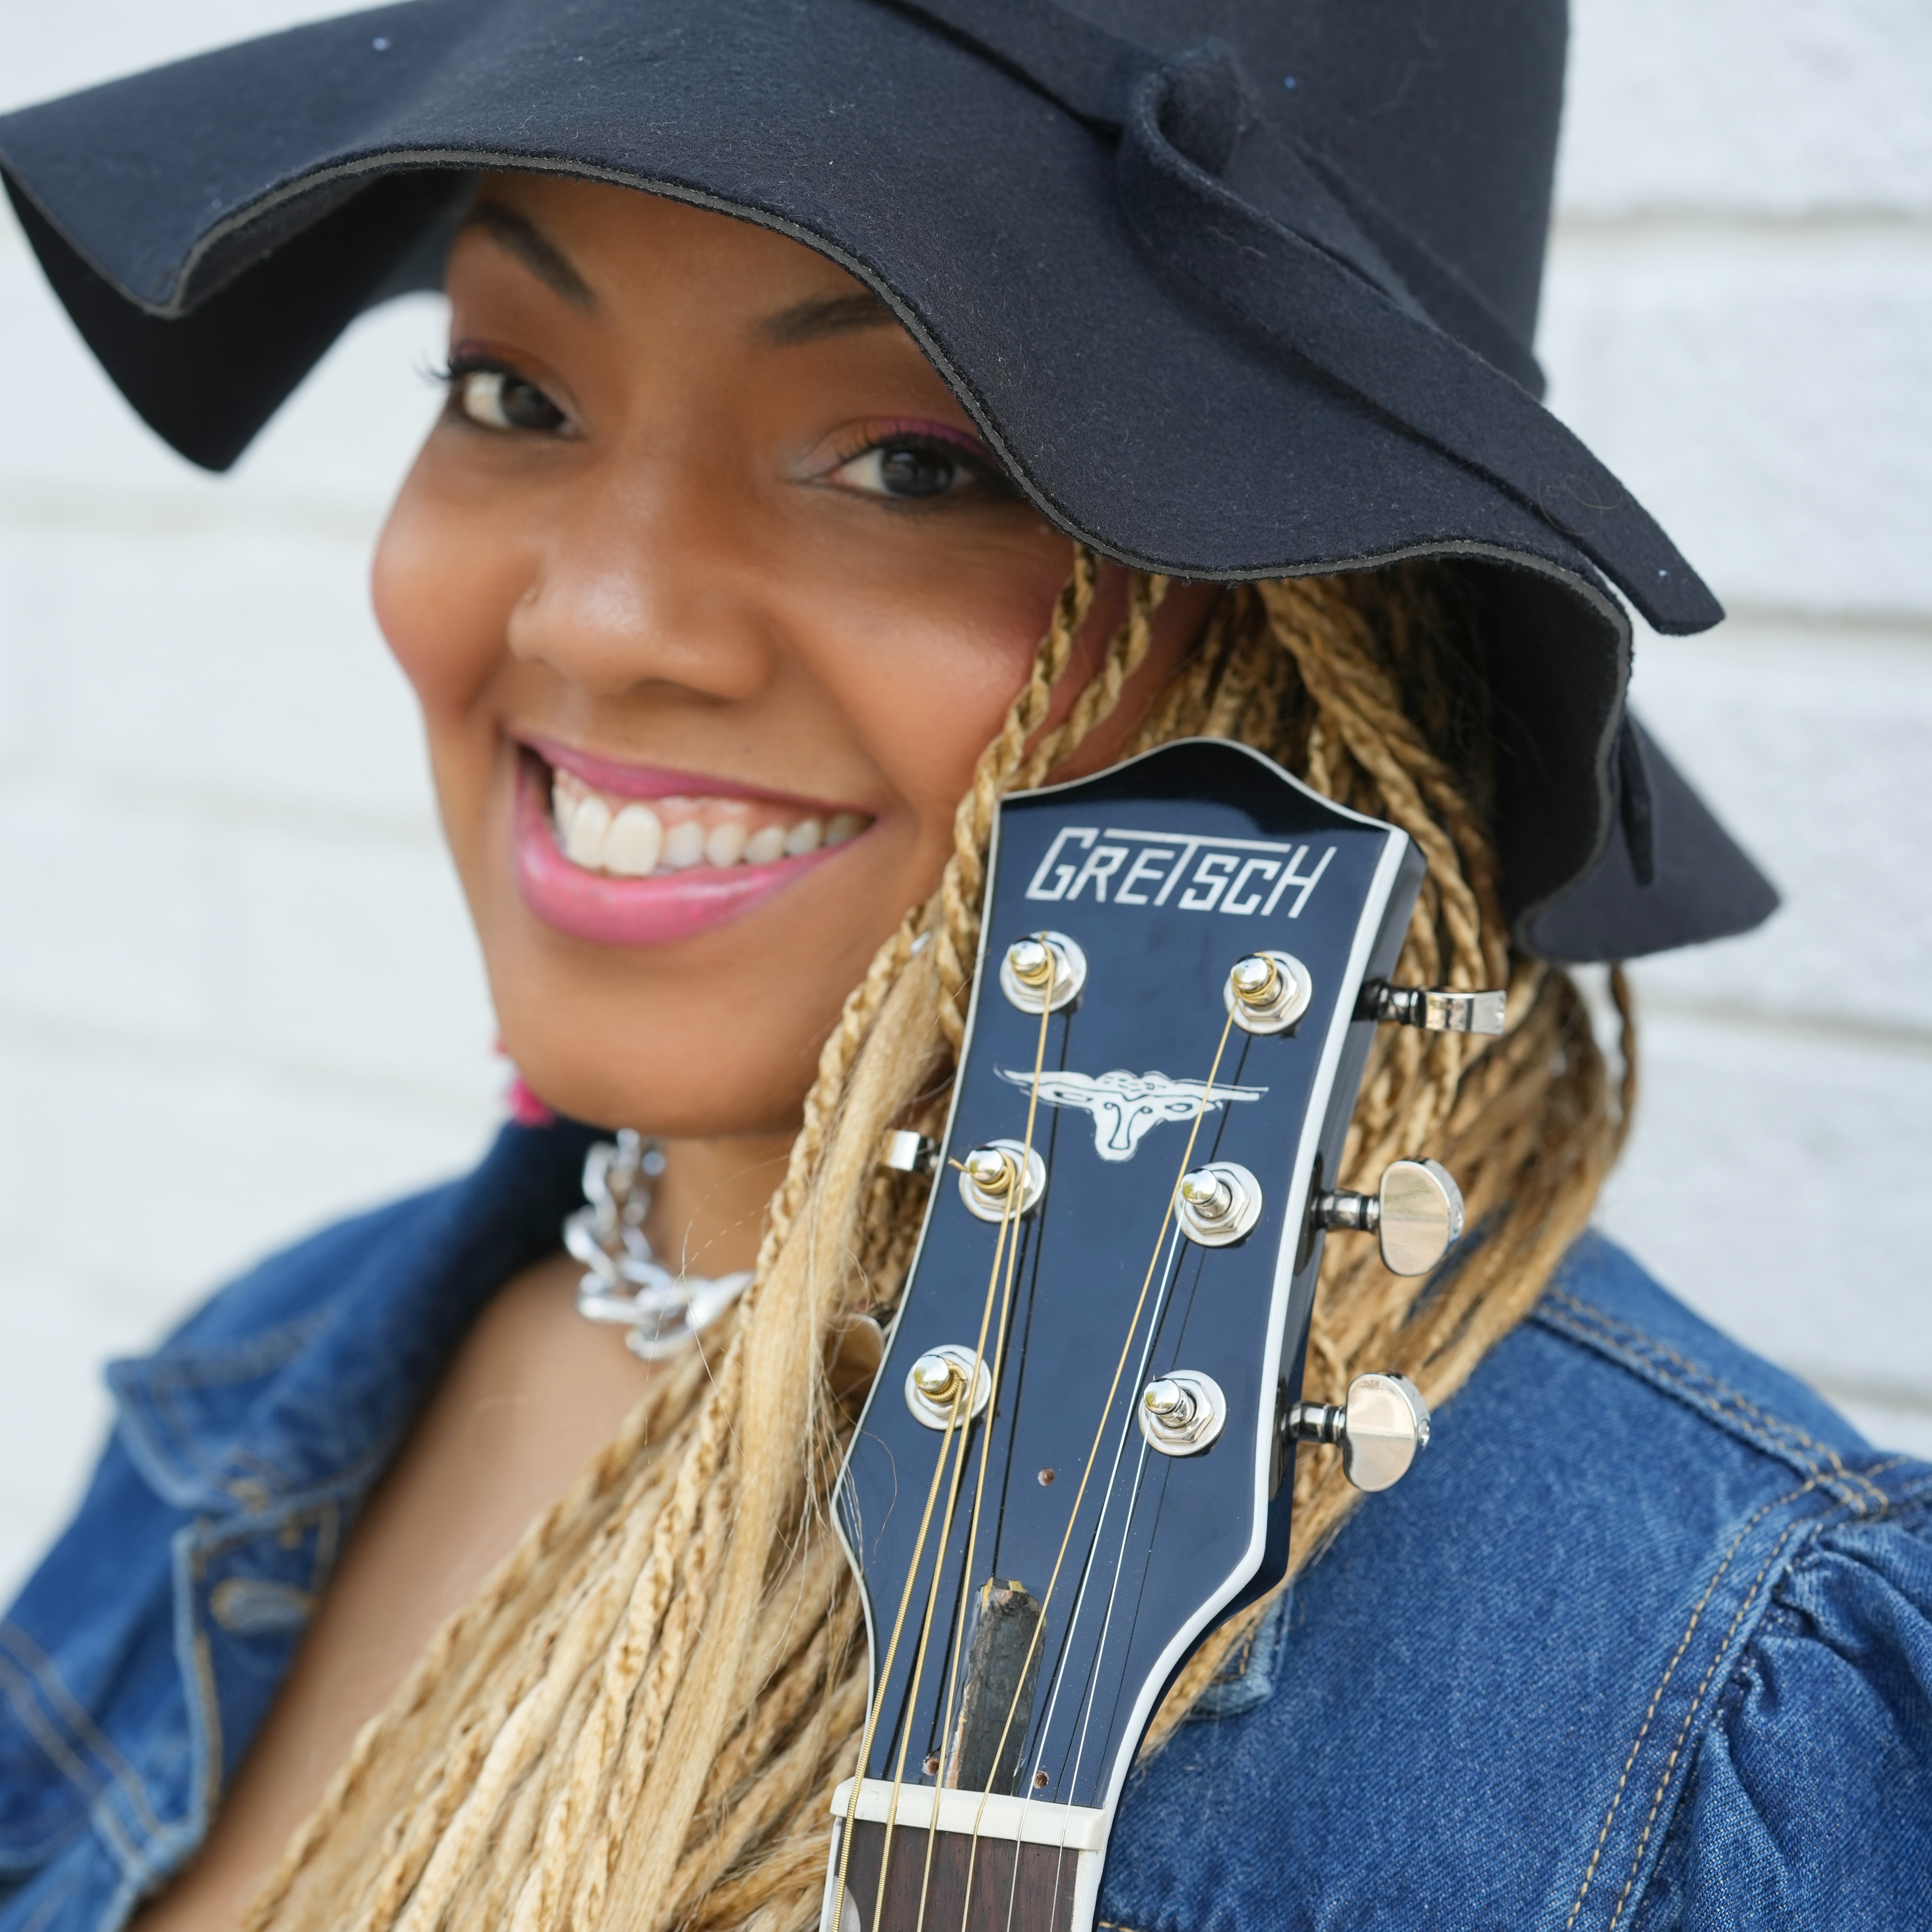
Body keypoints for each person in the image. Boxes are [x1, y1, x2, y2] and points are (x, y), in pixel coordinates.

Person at [0, 4, 1925, 1930]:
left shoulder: (1695, 1704)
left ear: (1309, 627)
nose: (603, 617)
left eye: (916, 463)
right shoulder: (249, 1398)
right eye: (513, 393)